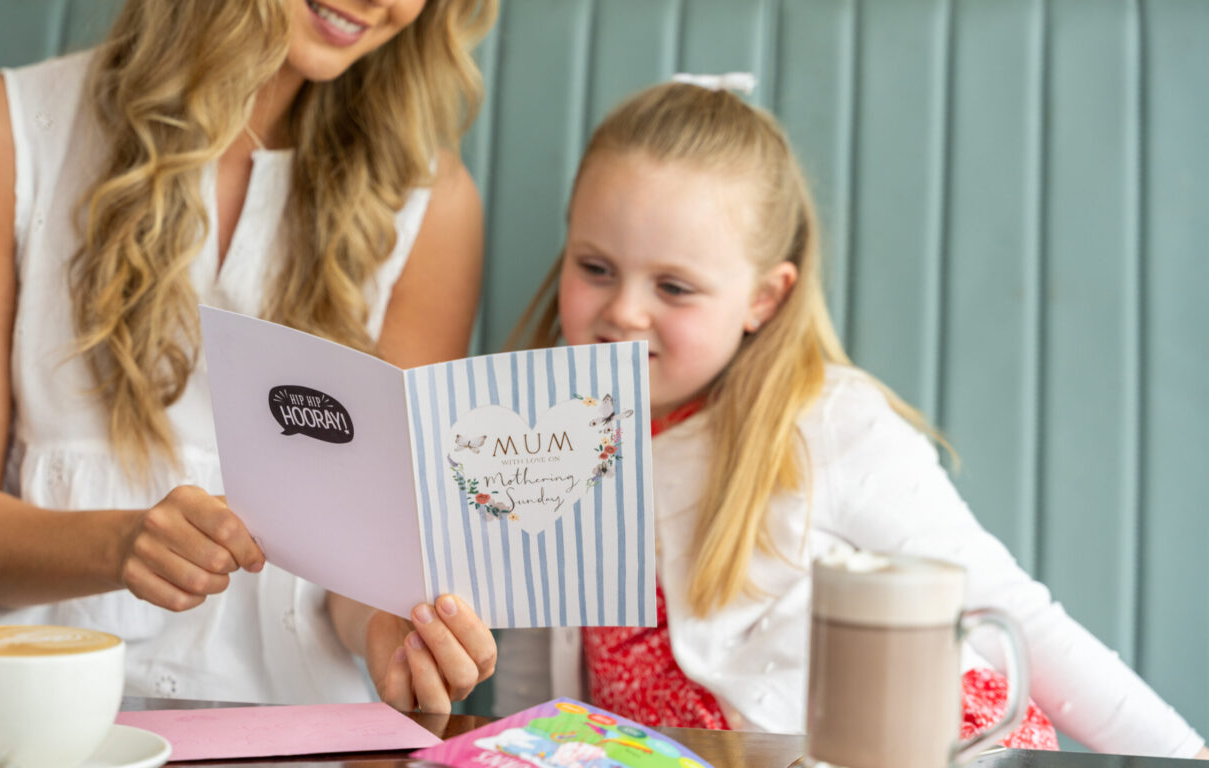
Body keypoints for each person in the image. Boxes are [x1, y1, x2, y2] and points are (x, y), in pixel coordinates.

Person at [0, 0, 500, 736]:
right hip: (4, 703)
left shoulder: (429, 204)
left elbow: (363, 552)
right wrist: (121, 545)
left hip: (283, 716)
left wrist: (388, 630)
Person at [504, 78, 1208, 757]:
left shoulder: (824, 423)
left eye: (674, 287)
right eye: (595, 267)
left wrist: (1184, 755)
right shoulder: (554, 436)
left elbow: (1015, 619)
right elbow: (536, 657)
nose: (624, 311)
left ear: (763, 299)